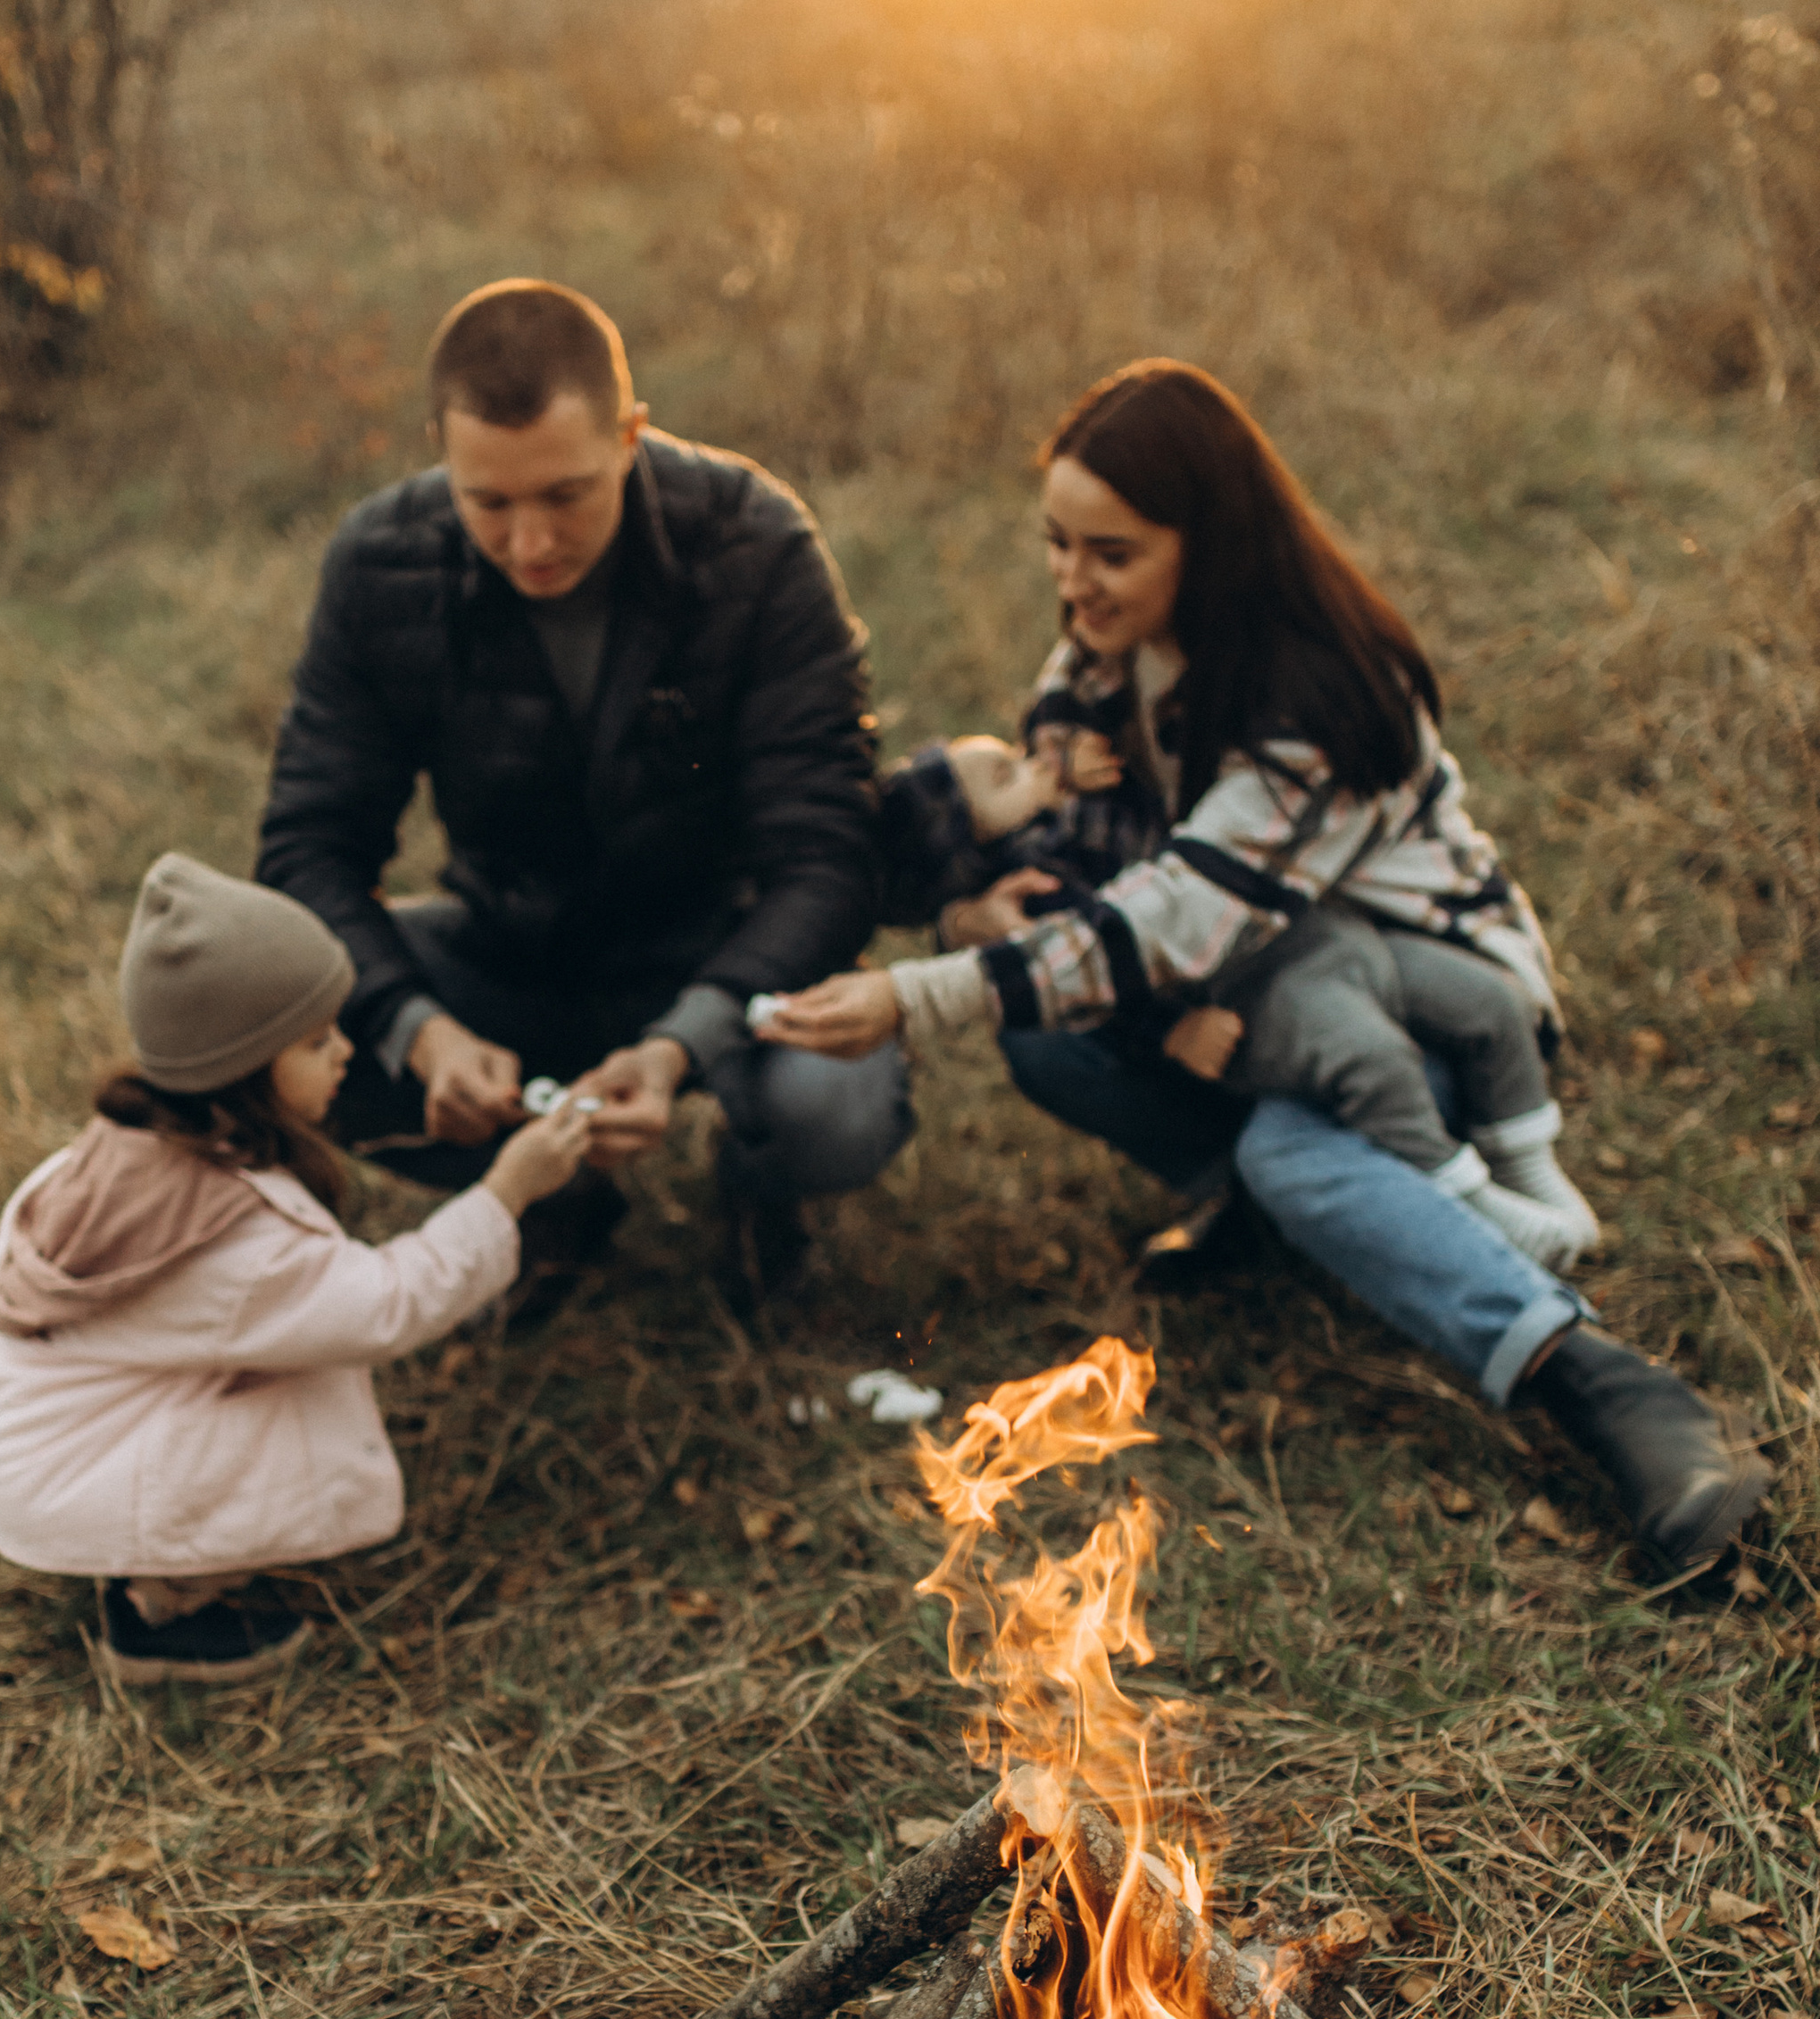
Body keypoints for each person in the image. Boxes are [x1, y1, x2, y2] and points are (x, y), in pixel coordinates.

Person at [770, 361, 1770, 1577]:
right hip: (1250, 994)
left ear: (1213, 545)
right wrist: (978, 907)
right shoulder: (1102, 659)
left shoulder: (1334, 701)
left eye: (1113, 554)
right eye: (1057, 546)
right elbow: (1089, 872)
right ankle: (1285, 1214)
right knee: (1047, 1037)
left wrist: (913, 999)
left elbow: (1180, 919)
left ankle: (1603, 1385)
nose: (1073, 584)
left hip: (1424, 1003)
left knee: (1292, 1153)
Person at [254, 278, 910, 1315]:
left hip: (718, 949)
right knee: (276, 1026)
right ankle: (543, 1190)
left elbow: (829, 853)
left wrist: (679, 1042)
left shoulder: (755, 542)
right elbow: (305, 853)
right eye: (490, 503)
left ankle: (759, 1189)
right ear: (443, 457)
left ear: (631, 436)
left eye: (565, 495)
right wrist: (421, 1031)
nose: (530, 543)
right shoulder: (380, 563)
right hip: (504, 949)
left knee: (838, 1102)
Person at [0, 853, 595, 1688]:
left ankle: (152, 1558)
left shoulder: (134, 1150)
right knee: (306, 1399)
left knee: (290, 1369)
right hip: (75, 1466)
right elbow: (389, 1306)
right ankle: (164, 1614)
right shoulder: (226, 1250)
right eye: (316, 1040)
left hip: (48, 1443)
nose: (345, 1055)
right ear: (245, 1063)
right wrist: (508, 1191)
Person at [879, 697, 1598, 1272]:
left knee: (1485, 999)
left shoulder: (1072, 811)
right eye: (1010, 776)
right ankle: (1476, 1210)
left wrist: (1071, 754)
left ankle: (1527, 1163)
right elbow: (1101, 966)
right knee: (1369, 1060)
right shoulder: (1037, 887)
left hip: (1325, 933)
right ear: (983, 845)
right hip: (1249, 987)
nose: (1036, 763)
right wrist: (1167, 1032)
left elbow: (1132, 769)